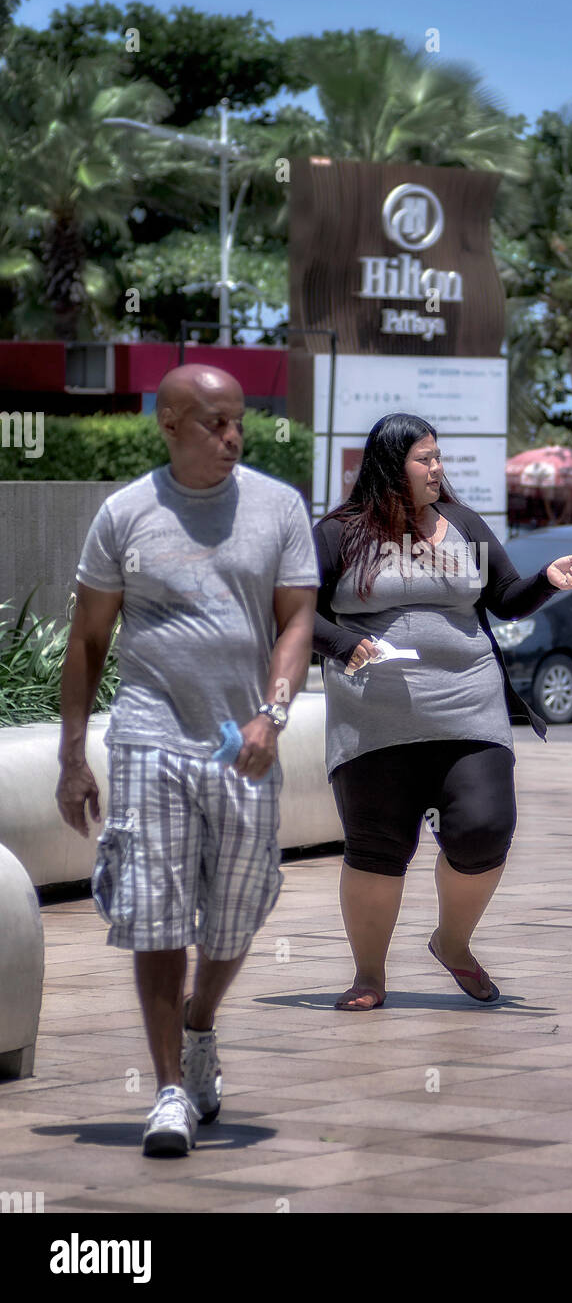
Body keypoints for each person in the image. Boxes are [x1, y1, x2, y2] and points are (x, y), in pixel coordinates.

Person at [56, 364, 319, 1155]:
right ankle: (168, 1089)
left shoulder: (278, 506)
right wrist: (73, 756)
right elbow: (90, 638)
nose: (233, 436)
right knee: (157, 910)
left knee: (240, 910)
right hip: (148, 735)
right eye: (214, 422)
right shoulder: (125, 512)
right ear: (168, 424)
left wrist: (272, 715)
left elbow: (297, 621)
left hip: (243, 743)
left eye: (239, 420)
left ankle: (201, 1026)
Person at [312, 412, 572, 1011]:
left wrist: (548, 578)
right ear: (392, 465)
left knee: (485, 828)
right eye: (424, 458)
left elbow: (508, 599)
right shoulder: (338, 533)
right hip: (374, 718)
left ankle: (453, 942)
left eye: (439, 457)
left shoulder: (462, 524)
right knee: (377, 847)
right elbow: (292, 610)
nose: (437, 469)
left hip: (470, 704)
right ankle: (369, 976)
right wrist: (343, 644)